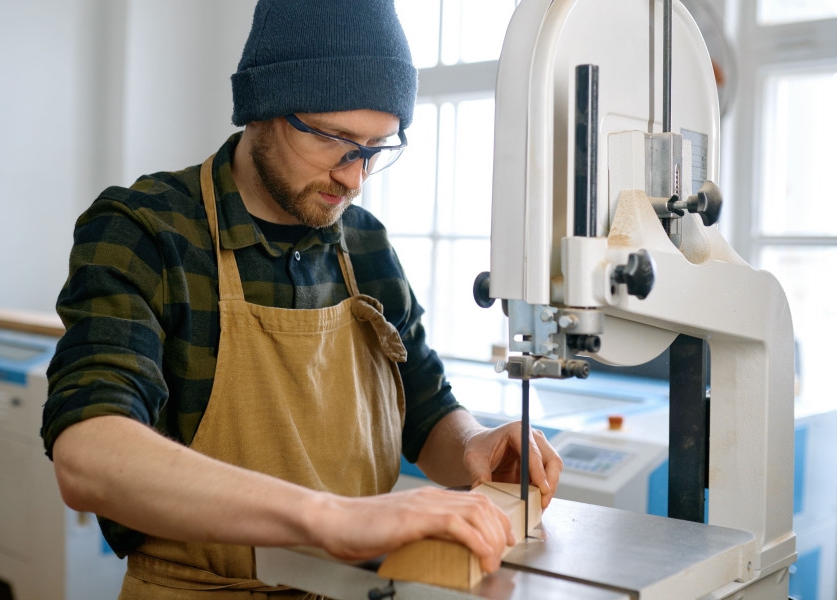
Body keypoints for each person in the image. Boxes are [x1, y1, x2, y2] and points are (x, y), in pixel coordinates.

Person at [41, 0, 563, 597]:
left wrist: (473, 442)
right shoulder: (147, 230)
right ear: (264, 107)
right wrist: (333, 519)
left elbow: (425, 408)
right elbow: (88, 453)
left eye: (376, 149)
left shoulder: (365, 243)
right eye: (336, 140)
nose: (354, 177)